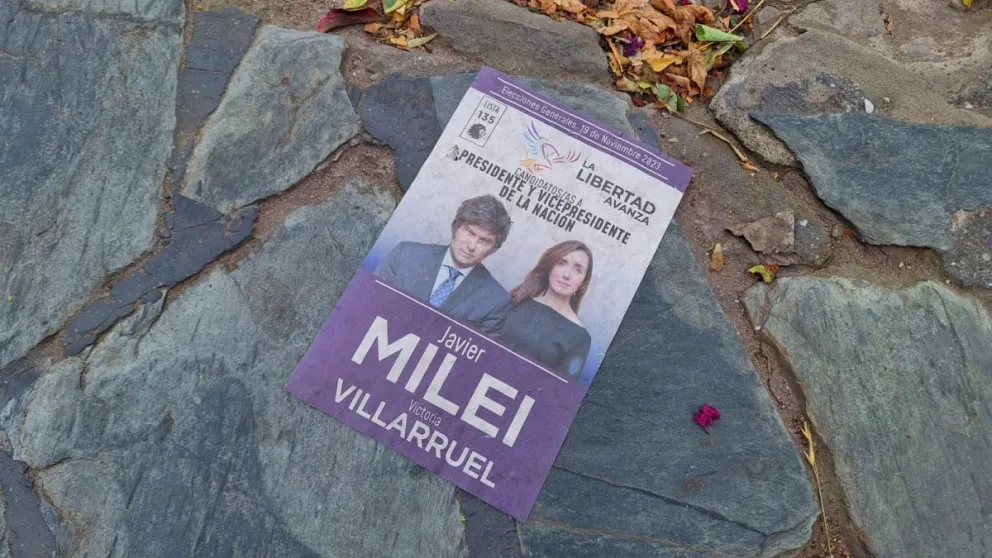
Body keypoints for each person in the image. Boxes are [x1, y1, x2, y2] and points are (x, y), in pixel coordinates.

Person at [374, 195, 513, 336]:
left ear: (494, 249)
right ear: (455, 227)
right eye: (470, 232)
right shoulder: (405, 254)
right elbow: (368, 303)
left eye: (484, 241)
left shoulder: (496, 301)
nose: (472, 246)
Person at [502, 241, 593, 379]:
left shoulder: (580, 338)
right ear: (550, 266)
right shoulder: (517, 299)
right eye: (561, 263)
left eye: (578, 270)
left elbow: (558, 390)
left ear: (583, 282)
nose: (567, 275)